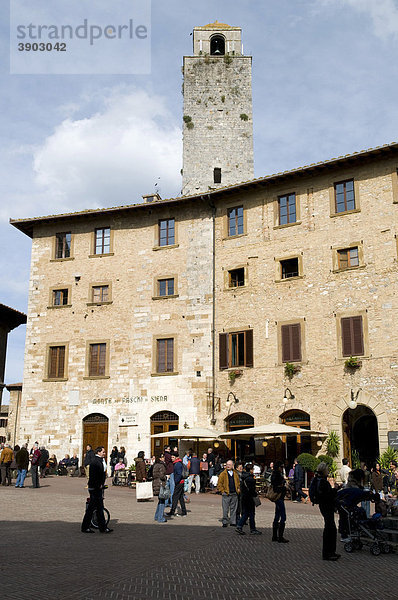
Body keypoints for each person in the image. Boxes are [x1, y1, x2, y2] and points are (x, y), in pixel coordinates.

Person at [81, 446, 112, 534]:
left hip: (97, 487)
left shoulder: (100, 461)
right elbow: (94, 475)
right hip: (95, 488)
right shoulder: (95, 461)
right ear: (98, 452)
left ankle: (102, 527)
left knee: (99, 508)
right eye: (103, 452)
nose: (104, 453)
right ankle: (86, 527)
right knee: (93, 508)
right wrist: (98, 485)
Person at [314, 462, 340, 560]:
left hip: (324, 506)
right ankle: (328, 553)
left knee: (330, 527)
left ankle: (331, 552)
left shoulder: (319, 480)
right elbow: (327, 495)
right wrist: (335, 489)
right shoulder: (323, 482)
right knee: (330, 528)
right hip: (326, 506)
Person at [236, 463, 262, 535]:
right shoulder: (251, 479)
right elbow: (252, 490)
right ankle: (251, 529)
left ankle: (240, 526)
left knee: (246, 513)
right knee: (251, 514)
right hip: (249, 498)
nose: (253, 470)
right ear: (250, 470)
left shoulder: (243, 477)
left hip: (244, 497)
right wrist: (255, 495)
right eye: (252, 469)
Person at [217, 459, 240, 528]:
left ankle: (233, 521)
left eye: (229, 465)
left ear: (233, 466)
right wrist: (222, 491)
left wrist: (238, 490)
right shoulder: (223, 474)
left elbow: (238, 483)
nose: (228, 466)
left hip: (234, 493)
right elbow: (219, 484)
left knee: (233, 509)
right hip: (226, 494)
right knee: (225, 509)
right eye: (227, 464)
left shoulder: (235, 474)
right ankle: (225, 521)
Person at [271, 461, 289, 543]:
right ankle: (280, 536)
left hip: (277, 498)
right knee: (283, 516)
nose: (282, 469)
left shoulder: (273, 475)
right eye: (281, 467)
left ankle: (275, 536)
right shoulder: (278, 475)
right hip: (279, 497)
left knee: (277, 515)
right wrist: (283, 486)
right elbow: (278, 487)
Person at [167, 453, 187, 517]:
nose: (171, 458)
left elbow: (179, 474)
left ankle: (172, 512)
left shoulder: (177, 464)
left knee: (175, 497)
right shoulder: (178, 463)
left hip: (179, 482)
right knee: (180, 497)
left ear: (176, 457)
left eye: (173, 457)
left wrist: (175, 482)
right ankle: (184, 512)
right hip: (181, 482)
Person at [152, 456, 167, 523]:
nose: (164, 458)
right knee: (162, 500)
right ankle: (160, 518)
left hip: (155, 483)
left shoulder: (155, 465)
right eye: (162, 457)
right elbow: (161, 476)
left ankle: (157, 516)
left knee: (160, 500)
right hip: (160, 484)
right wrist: (166, 477)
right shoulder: (161, 466)